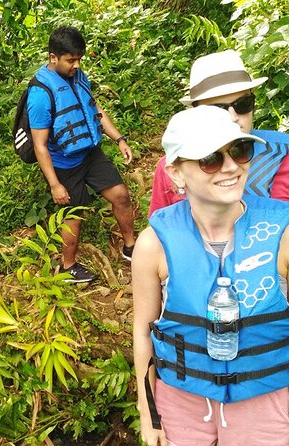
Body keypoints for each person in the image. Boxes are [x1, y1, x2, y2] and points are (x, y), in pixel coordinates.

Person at [133, 106, 289, 446]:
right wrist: (149, 413)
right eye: (210, 158)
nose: (231, 166)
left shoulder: (283, 233)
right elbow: (143, 332)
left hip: (268, 399)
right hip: (182, 401)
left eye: (239, 150)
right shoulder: (153, 244)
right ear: (176, 173)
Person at [27, 26, 136, 282]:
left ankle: (131, 246)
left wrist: (119, 139)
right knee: (74, 216)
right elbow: (39, 145)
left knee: (120, 194)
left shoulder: (78, 76)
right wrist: (55, 184)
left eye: (78, 59)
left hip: (90, 153)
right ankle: (68, 266)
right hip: (64, 163)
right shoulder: (40, 94)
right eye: (70, 60)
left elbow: (94, 109)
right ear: (53, 57)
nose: (76, 65)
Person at [148, 50, 289, 216]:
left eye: (242, 104)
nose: (233, 117)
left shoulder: (282, 152)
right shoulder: (176, 164)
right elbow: (161, 227)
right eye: (217, 110)